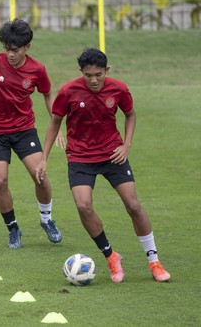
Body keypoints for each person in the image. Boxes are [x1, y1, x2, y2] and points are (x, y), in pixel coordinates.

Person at [35, 48, 170, 283]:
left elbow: (130, 114)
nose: (94, 80)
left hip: (112, 154)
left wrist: (126, 145)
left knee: (133, 205)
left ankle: (154, 261)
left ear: (107, 70)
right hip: (80, 157)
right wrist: (44, 158)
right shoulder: (68, 91)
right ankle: (111, 256)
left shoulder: (118, 88)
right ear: (81, 72)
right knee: (83, 206)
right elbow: (55, 121)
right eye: (88, 75)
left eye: (99, 74)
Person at [0, 18, 64, 249]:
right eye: (7, 49)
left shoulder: (37, 70)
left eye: (15, 50)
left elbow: (47, 94)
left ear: (27, 47)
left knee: (40, 176)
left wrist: (55, 126)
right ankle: (13, 228)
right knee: (0, 180)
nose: (10, 54)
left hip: (24, 130)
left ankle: (46, 220)